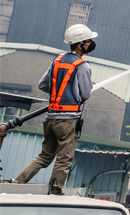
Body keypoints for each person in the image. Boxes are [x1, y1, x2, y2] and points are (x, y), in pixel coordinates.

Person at [13, 24, 98, 194]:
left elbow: (43, 84)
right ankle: (55, 190)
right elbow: (86, 94)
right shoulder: (83, 66)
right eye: (89, 41)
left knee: (45, 156)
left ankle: (17, 182)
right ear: (80, 44)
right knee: (64, 158)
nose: (91, 44)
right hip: (67, 121)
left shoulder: (57, 60)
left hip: (50, 117)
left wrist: (60, 92)